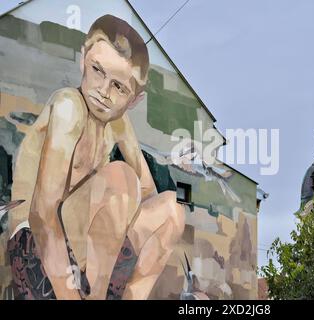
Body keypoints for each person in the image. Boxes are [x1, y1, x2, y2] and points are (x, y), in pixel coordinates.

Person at [8, 14, 185, 300]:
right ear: (83, 58)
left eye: (119, 87)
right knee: (120, 178)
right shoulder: (69, 106)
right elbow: (42, 215)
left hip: (79, 250)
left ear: (134, 100)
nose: (103, 91)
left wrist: (123, 220)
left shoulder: (118, 123)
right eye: (98, 70)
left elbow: (149, 193)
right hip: (34, 251)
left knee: (172, 211)